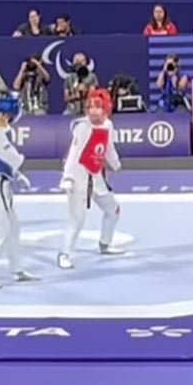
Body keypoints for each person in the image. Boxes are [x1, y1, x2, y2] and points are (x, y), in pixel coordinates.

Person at [0, 94, 39, 289]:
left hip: (0, 182)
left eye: (5, 114)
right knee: (1, 230)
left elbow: (3, 158)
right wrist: (18, 166)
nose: (1, 117)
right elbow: (12, 157)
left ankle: (17, 269)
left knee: (13, 228)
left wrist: (17, 175)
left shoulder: (0, 132)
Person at [57, 88, 124, 270]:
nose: (93, 111)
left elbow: (108, 148)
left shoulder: (108, 125)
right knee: (77, 219)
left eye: (98, 107)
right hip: (77, 177)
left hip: (95, 176)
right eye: (90, 107)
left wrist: (116, 164)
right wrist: (67, 177)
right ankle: (64, 254)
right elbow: (73, 153)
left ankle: (105, 244)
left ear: (106, 109)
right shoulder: (82, 127)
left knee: (113, 209)